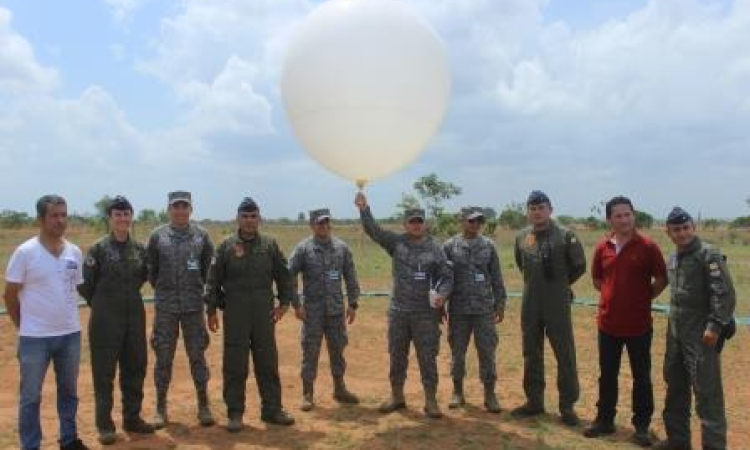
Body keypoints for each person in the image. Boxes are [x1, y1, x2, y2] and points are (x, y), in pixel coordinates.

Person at [355, 192, 453, 419]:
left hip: (426, 314)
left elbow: (447, 277)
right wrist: (364, 209)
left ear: (424, 224)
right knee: (397, 355)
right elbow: (374, 232)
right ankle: (397, 396)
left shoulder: (435, 248)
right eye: (412, 221)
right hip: (399, 312)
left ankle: (430, 400)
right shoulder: (396, 243)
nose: (416, 225)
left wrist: (442, 295)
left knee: (427, 356)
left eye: (420, 221)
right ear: (405, 224)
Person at [3, 195, 90, 450]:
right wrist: (24, 325)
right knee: (30, 397)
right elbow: (9, 295)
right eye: (54, 215)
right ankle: (30, 445)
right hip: (34, 338)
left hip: (70, 334)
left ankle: (69, 439)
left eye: (63, 215)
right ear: (40, 219)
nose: (60, 220)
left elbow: (72, 288)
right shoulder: (25, 252)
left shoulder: (74, 252)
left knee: (69, 392)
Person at [205, 197, 295, 432]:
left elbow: (285, 275)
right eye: (244, 216)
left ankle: (272, 409)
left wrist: (285, 303)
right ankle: (235, 413)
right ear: (237, 218)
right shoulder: (225, 246)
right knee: (235, 363)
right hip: (235, 312)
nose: (249, 221)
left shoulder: (269, 245)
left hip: (264, 313)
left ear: (259, 218)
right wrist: (211, 310)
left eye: (253, 216)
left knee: (267, 362)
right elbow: (213, 280)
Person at [584, 196, 667, 447]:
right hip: (608, 324)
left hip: (639, 325)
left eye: (627, 214)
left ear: (634, 216)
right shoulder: (602, 248)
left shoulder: (648, 246)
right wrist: (612, 296)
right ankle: (604, 420)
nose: (624, 219)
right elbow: (598, 280)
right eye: (618, 215)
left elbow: (661, 279)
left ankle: (641, 427)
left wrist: (642, 298)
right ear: (609, 219)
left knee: (641, 377)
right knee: (607, 375)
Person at [655, 207, 736, 450]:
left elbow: (724, 295)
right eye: (676, 230)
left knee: (707, 396)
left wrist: (714, 327)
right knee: (676, 388)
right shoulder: (673, 258)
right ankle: (678, 441)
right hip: (676, 334)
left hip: (702, 337)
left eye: (685, 228)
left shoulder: (708, 254)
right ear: (668, 232)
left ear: (693, 227)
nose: (681, 233)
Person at [77, 196, 154, 445]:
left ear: (132, 217)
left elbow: (143, 277)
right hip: (104, 319)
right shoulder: (98, 249)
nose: (122, 218)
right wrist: (102, 304)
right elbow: (86, 285)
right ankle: (105, 425)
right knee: (104, 372)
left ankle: (132, 418)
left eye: (126, 214)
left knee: (135, 367)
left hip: (134, 315)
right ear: (109, 218)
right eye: (117, 214)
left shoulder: (140, 249)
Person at [511, 190, 586, 426]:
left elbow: (579, 266)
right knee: (531, 352)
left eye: (541, 207)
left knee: (564, 353)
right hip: (531, 302)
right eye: (532, 208)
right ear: (528, 212)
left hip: (557, 304)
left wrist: (561, 285)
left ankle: (567, 405)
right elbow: (521, 264)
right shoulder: (522, 237)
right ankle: (534, 401)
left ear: (550, 209)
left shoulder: (566, 235)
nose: (536, 212)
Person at [146, 191, 215, 428]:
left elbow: (209, 268)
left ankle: (204, 405)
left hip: (194, 308)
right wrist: (165, 290)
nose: (180, 210)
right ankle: (160, 408)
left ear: (191, 209)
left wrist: (196, 288)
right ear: (169, 209)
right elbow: (151, 271)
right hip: (166, 309)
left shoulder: (202, 236)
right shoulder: (157, 236)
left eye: (184, 206)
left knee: (198, 356)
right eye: (176, 206)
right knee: (163, 358)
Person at [289, 208, 361, 411]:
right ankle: (307, 393)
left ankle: (339, 388)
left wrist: (353, 303)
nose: (324, 226)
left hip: (336, 311)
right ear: (311, 225)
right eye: (319, 223)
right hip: (311, 312)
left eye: (326, 222)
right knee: (310, 352)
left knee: (338, 350)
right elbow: (289, 276)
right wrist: (296, 304)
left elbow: (351, 276)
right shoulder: (303, 249)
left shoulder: (341, 248)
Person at [443, 206, 507, 413]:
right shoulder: (450, 246)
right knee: (457, 352)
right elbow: (442, 278)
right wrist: (439, 304)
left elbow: (496, 277)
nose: (476, 224)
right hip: (458, 310)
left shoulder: (489, 246)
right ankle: (457, 391)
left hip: (483, 310)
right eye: (471, 221)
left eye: (479, 221)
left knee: (487, 351)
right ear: (462, 221)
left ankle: (490, 394)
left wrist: (500, 303)